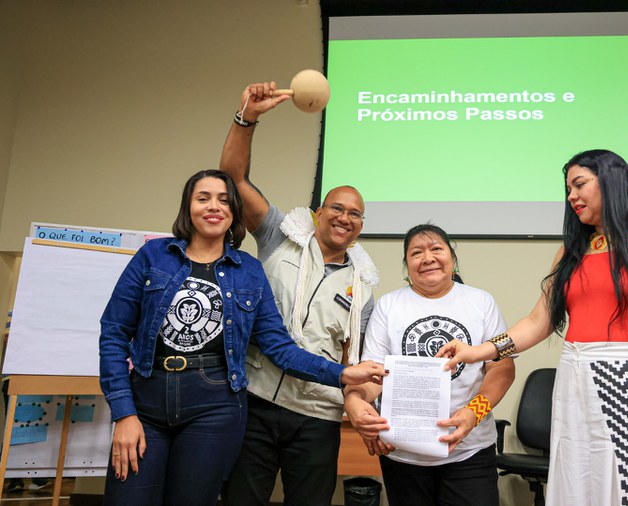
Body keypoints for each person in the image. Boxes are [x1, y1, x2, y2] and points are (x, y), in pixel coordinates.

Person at [437, 149, 628, 506]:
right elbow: (538, 321)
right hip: (575, 384)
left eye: (579, 184)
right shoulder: (571, 250)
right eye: (567, 189)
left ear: (612, 181)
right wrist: (479, 351)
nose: (571, 197)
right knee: (578, 489)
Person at [98, 170, 386, 506]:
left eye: (223, 200)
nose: (213, 207)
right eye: (202, 198)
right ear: (187, 207)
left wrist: (341, 375)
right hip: (149, 400)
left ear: (233, 212)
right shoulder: (154, 256)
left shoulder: (248, 270)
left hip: (214, 405)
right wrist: (123, 412)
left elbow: (279, 347)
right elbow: (114, 333)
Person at [219, 82, 380, 506]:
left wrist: (358, 404)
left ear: (361, 226)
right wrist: (247, 117)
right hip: (254, 401)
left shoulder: (363, 287)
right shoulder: (278, 237)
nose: (344, 217)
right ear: (318, 213)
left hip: (317, 417)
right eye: (336, 208)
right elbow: (234, 178)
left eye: (355, 214)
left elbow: (354, 362)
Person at [344, 224, 516, 506]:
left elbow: (503, 367)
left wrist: (475, 411)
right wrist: (355, 400)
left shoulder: (482, 301)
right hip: (403, 452)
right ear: (406, 264)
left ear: (453, 258)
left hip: (469, 451)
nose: (428, 258)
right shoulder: (388, 306)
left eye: (437, 249)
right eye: (416, 252)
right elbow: (371, 374)